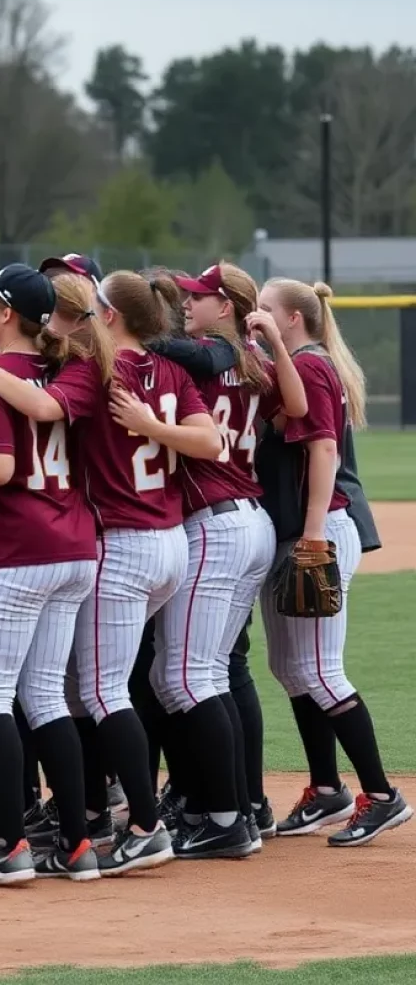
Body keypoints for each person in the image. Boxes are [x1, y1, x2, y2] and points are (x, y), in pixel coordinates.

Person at [0, 261, 221, 876]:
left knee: (73, 691)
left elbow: (38, 416)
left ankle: (103, 831)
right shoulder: (146, 366)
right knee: (60, 692)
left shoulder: (91, 368)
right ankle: (80, 837)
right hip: (136, 538)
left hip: (80, 542)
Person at [0, 263, 102, 886]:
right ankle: (78, 842)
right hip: (74, 544)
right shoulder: (67, 367)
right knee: (45, 697)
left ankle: (11, 845)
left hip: (18, 549)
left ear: (8, 314)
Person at [149, 262, 307, 859]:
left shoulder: (213, 356)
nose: (188, 303)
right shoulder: (248, 362)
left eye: (199, 297)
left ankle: (225, 817)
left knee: (184, 676)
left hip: (215, 523)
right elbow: (291, 404)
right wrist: (265, 344)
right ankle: (238, 806)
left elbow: (291, 408)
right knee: (211, 671)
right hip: (247, 521)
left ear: (227, 305)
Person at [256, 278, 412, 846]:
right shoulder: (298, 364)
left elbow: (323, 449)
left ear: (294, 317)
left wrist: (315, 531)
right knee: (292, 670)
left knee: (320, 671)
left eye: (267, 308)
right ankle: (326, 789)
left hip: (320, 530)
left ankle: (383, 795)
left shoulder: (314, 367)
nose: (258, 315)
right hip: (302, 530)